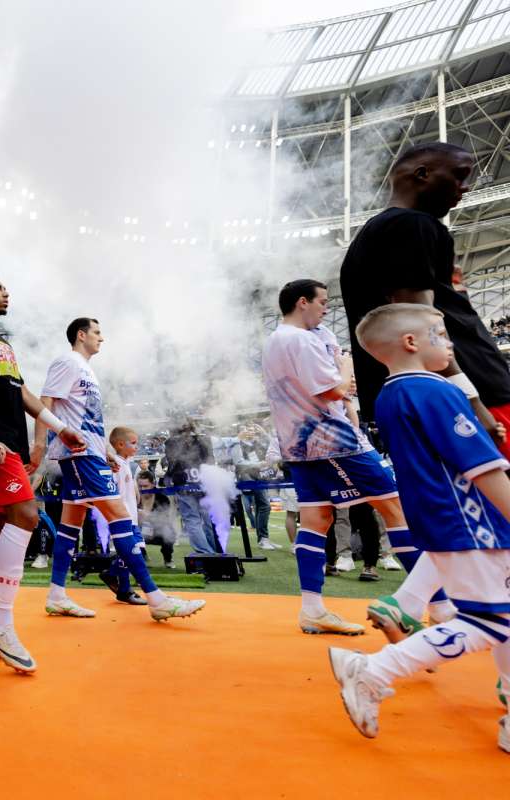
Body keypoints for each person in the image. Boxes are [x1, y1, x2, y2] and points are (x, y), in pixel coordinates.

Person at [330, 303, 510, 751]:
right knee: (491, 621)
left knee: (501, 615)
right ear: (411, 342)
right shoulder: (433, 391)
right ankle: (373, 670)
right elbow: (481, 466)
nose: (449, 344)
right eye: (441, 334)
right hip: (471, 522)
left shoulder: (391, 394)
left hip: (445, 522)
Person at [261, 279, 437, 637]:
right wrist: (344, 369)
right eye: (322, 302)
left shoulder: (278, 340)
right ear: (302, 302)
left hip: (299, 443)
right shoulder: (300, 340)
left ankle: (313, 610)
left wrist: (341, 378)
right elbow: (334, 389)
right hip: (333, 440)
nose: (327, 309)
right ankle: (438, 606)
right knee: (395, 508)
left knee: (317, 518)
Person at [0, 275, 87, 673]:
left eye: (5, 288)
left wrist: (60, 428)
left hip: (9, 440)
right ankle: (2, 625)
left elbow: (21, 392)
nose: (5, 292)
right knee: (26, 515)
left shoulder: (2, 343)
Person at [340, 141, 510, 456]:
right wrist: (473, 403)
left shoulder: (368, 237)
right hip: (471, 396)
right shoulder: (412, 224)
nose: (465, 187)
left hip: (415, 400)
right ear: (422, 174)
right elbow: (419, 322)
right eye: (458, 175)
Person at [33, 319, 204, 620]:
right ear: (81, 335)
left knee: (71, 526)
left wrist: (106, 451)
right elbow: (43, 402)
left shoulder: (87, 370)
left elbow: (88, 420)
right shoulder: (67, 361)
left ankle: (57, 595)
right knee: (121, 518)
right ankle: (156, 598)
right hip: (80, 455)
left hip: (89, 453)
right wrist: (39, 444)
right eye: (97, 332)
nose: (102, 338)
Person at [102, 426, 147, 605]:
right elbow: (114, 493)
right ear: (120, 444)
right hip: (123, 517)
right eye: (133, 443)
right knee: (134, 550)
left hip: (131, 516)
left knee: (131, 551)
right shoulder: (117, 466)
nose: (137, 446)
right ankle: (124, 587)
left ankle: (115, 578)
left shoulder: (126, 463)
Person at [163, 421, 216, 554]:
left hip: (184, 483)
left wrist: (169, 477)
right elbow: (211, 461)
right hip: (203, 481)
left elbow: (172, 463)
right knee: (209, 519)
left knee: (193, 520)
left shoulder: (172, 442)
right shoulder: (203, 439)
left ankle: (205, 553)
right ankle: (215, 551)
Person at [137, 470, 177, 569]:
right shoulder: (134, 497)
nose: (142, 489)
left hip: (157, 530)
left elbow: (164, 519)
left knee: (169, 532)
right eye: (140, 486)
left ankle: (168, 559)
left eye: (145, 486)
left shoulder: (162, 498)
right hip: (138, 531)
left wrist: (148, 517)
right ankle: (141, 557)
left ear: (153, 484)